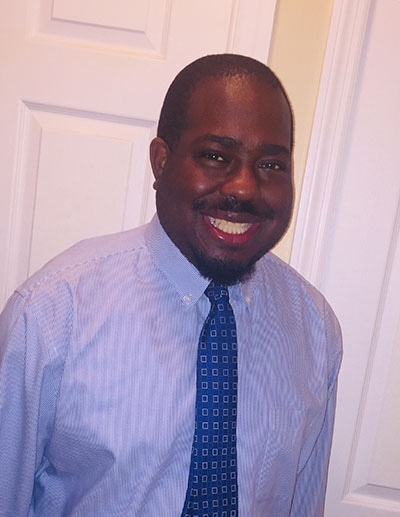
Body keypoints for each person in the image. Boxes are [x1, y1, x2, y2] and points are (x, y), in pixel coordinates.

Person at [0, 54, 342, 516]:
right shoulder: (54, 311)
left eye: (271, 165)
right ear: (161, 161)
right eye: (216, 156)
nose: (244, 187)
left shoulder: (315, 327)